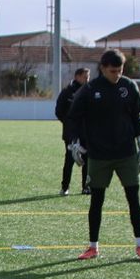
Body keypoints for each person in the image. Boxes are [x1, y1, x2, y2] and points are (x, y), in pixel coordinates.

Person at [67, 49, 140, 262]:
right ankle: (93, 246)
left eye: (120, 70)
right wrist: (74, 143)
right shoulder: (90, 89)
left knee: (134, 199)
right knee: (97, 201)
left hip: (126, 154)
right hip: (99, 155)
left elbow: (137, 117)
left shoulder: (129, 87)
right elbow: (73, 118)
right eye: (113, 71)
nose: (117, 75)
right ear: (102, 68)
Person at [55, 67, 90, 196]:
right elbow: (59, 111)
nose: (88, 79)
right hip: (71, 133)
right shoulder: (67, 92)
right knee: (69, 160)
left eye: (88, 77)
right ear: (78, 76)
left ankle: (86, 187)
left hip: (86, 132)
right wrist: (69, 124)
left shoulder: (89, 91)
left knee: (87, 159)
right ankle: (65, 187)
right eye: (86, 77)